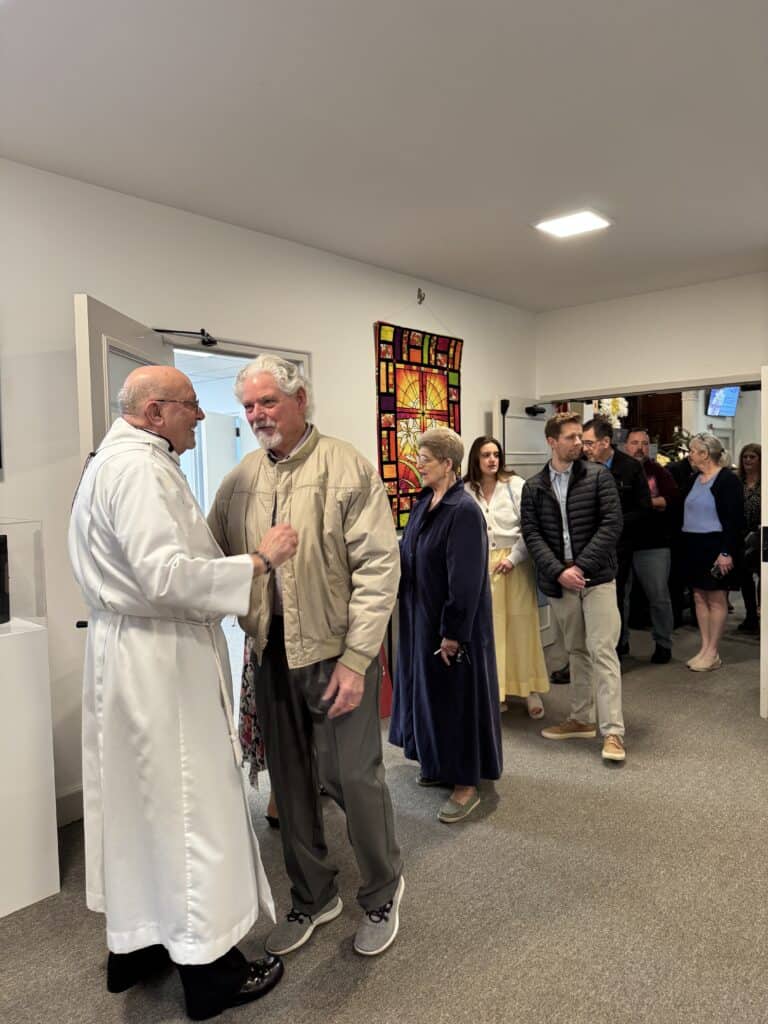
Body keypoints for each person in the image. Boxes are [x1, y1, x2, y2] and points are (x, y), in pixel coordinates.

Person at [68, 366, 298, 1021]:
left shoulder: (110, 461)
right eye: (191, 405)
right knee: (192, 808)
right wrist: (259, 561)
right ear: (153, 412)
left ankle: (140, 946)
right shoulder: (140, 471)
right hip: (159, 659)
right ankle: (211, 973)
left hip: (125, 653)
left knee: (141, 809)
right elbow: (165, 576)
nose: (201, 415)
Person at [208, 355, 403, 959]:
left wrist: (357, 660)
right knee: (290, 783)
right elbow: (212, 556)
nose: (257, 415)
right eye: (248, 406)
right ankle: (314, 895)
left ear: (300, 400)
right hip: (269, 654)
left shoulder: (347, 467)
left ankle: (382, 890)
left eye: (268, 401)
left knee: (353, 778)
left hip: (335, 654)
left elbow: (378, 568)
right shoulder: (239, 479)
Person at [390, 428, 502, 821]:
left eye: (425, 459)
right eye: (418, 458)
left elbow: (466, 582)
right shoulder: (424, 503)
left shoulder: (463, 511)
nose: (417, 465)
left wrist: (453, 633)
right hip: (420, 619)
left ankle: (466, 784)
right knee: (429, 695)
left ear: (448, 464)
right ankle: (438, 763)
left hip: (451, 626)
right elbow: (409, 553)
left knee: (457, 702)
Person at [520, 413, 626, 764]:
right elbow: (532, 534)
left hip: (597, 578)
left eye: (580, 436)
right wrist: (559, 571)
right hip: (560, 581)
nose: (579, 443)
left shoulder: (598, 476)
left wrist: (580, 567)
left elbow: (612, 524)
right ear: (552, 441)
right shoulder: (534, 487)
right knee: (576, 650)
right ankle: (582, 718)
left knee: (603, 650)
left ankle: (613, 732)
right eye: (570, 437)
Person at [464, 435, 549, 717]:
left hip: (515, 562)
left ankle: (529, 690)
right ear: (476, 459)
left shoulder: (515, 485)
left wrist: (513, 559)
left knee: (522, 627)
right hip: (482, 566)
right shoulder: (466, 490)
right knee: (491, 630)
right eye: (486, 455)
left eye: (496, 454)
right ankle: (496, 690)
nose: (492, 460)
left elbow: (530, 528)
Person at [582, 416, 651, 658]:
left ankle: (617, 648)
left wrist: (613, 523)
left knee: (615, 597)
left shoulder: (630, 467)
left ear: (605, 442)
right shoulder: (580, 466)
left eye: (589, 443)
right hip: (586, 546)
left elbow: (644, 508)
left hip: (619, 545)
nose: (585, 448)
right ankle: (586, 651)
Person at [681, 433, 745, 671]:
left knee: (716, 598)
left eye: (693, 451)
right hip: (693, 544)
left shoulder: (728, 480)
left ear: (705, 454)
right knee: (699, 596)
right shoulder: (693, 478)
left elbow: (734, 520)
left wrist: (726, 552)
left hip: (716, 544)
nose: (690, 455)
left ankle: (713, 651)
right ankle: (705, 648)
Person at [623, 427, 679, 663]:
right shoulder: (618, 470)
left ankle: (663, 643)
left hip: (654, 543)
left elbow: (671, 499)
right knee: (619, 597)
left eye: (644, 443)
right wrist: (650, 502)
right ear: (626, 445)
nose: (640, 448)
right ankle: (621, 642)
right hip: (622, 543)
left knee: (659, 597)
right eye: (635, 443)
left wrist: (643, 503)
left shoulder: (658, 471)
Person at [736, 443, 761, 634]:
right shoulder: (737, 482)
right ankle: (751, 616)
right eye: (745, 457)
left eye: (752, 457)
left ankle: (763, 613)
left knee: (763, 576)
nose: (748, 460)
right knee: (745, 577)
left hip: (761, 534)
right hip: (740, 534)